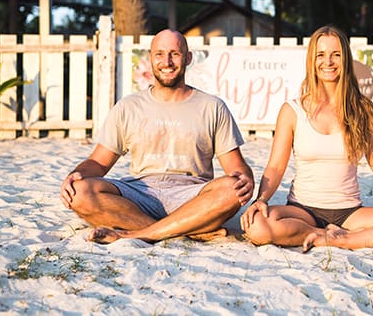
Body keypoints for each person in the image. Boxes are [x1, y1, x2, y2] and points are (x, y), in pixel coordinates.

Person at [240, 25, 373, 251]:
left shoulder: (363, 109)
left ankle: (344, 239)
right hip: (302, 210)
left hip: (350, 214)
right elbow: (276, 167)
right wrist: (261, 200)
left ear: (345, 58)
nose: (328, 62)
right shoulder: (292, 111)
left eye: (336, 54)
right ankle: (319, 234)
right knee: (256, 226)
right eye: (321, 55)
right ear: (312, 61)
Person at [60, 29, 254, 244]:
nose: (167, 62)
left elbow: (236, 166)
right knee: (79, 192)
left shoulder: (212, 106)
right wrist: (75, 174)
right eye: (159, 54)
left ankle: (141, 233)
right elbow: (98, 162)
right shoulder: (129, 106)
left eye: (175, 54)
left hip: (192, 195)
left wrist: (244, 178)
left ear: (188, 58)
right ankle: (185, 229)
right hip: (140, 192)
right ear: (150, 58)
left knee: (232, 190)